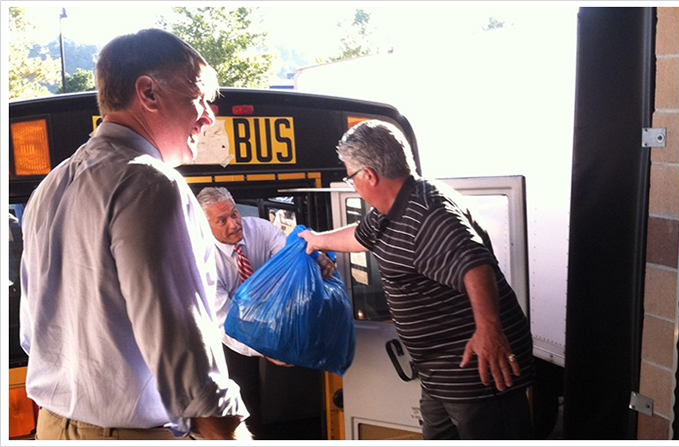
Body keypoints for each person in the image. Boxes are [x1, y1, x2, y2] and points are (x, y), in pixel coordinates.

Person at [19, 29, 247, 440]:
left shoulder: (49, 188)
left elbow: (32, 335)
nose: (209, 116)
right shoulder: (151, 183)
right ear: (149, 93)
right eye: (199, 97)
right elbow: (189, 363)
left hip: (51, 428)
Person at [299, 120, 534, 440]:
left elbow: (475, 265)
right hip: (440, 374)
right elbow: (362, 236)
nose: (352, 185)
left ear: (369, 175)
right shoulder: (391, 210)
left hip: (477, 375)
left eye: (350, 177)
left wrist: (489, 329)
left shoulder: (426, 213)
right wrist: (316, 240)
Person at [196, 186, 335, 439]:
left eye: (234, 214)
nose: (234, 224)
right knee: (243, 394)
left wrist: (315, 260)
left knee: (299, 383)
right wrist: (268, 348)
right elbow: (224, 322)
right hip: (231, 336)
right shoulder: (203, 259)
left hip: (274, 317)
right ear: (204, 226)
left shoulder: (260, 229)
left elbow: (290, 260)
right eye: (222, 220)